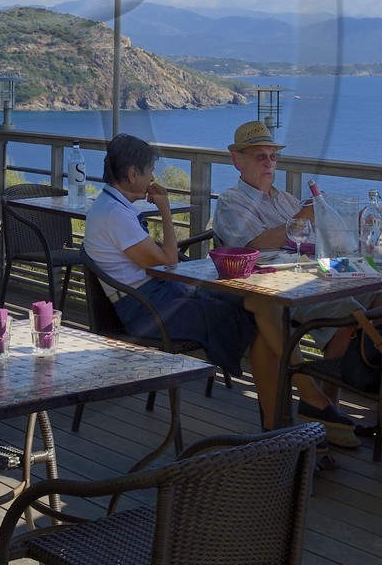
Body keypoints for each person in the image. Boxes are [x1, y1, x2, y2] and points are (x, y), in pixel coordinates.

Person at [83, 133, 291, 426]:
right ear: (132, 174)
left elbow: (160, 261)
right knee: (255, 315)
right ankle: (285, 407)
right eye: (149, 171)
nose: (153, 177)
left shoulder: (110, 207)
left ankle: (281, 414)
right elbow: (168, 259)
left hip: (158, 297)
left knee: (253, 302)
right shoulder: (115, 215)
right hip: (149, 310)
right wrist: (166, 210)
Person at [212, 120, 382, 448]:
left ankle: (332, 408)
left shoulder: (285, 199)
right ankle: (318, 406)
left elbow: (318, 240)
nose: (268, 163)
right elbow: (253, 243)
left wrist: (356, 225)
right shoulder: (232, 201)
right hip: (266, 289)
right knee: (349, 312)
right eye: (260, 156)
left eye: (272, 157)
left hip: (306, 281)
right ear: (238, 160)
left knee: (375, 305)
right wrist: (302, 220)